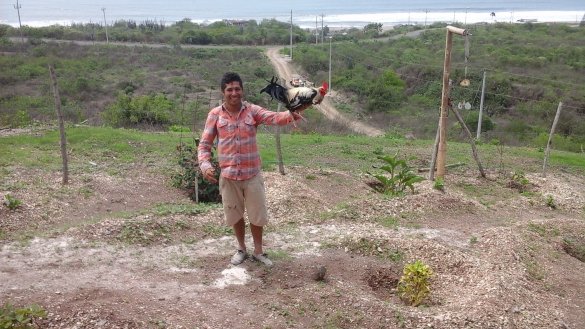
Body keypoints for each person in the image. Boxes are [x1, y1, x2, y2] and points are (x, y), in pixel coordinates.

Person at [197, 72, 310, 266]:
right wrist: (205, 164)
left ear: (242, 90)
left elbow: (275, 118)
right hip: (229, 176)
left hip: (252, 175)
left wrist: (295, 111)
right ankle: (241, 249)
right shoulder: (215, 115)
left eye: (237, 89)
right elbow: (204, 144)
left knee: (257, 214)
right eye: (230, 89)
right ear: (223, 92)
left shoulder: (252, 111)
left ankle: (258, 251)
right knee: (235, 214)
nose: (234, 93)